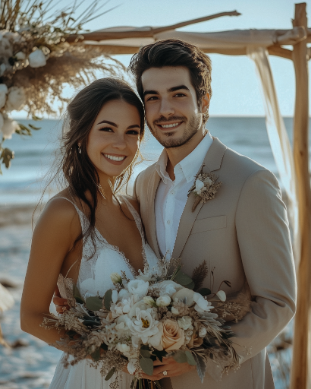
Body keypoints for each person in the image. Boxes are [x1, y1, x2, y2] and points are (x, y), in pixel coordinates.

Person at [54, 40, 297, 389]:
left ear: (205, 101)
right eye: (152, 97)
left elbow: (277, 302)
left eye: (178, 94)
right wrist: (74, 293)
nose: (164, 109)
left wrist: (201, 354)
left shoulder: (251, 183)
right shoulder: (143, 185)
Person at [20, 78, 164, 388]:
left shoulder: (134, 208)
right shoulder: (64, 212)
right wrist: (115, 358)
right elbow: (32, 316)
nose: (121, 144)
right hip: (93, 377)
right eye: (107, 129)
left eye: (132, 132)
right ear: (81, 133)